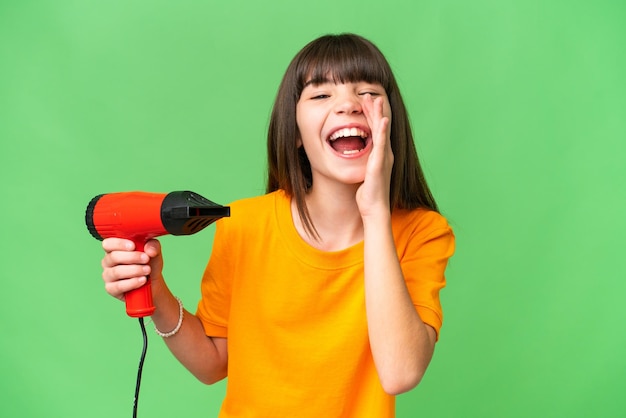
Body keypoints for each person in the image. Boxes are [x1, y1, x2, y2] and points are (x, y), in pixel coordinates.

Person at [100, 33, 455, 417]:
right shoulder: (244, 225)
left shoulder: (423, 233)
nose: (349, 105)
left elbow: (400, 372)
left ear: (390, 121)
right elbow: (213, 363)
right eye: (321, 95)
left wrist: (375, 212)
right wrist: (155, 290)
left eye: (367, 92)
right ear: (297, 134)